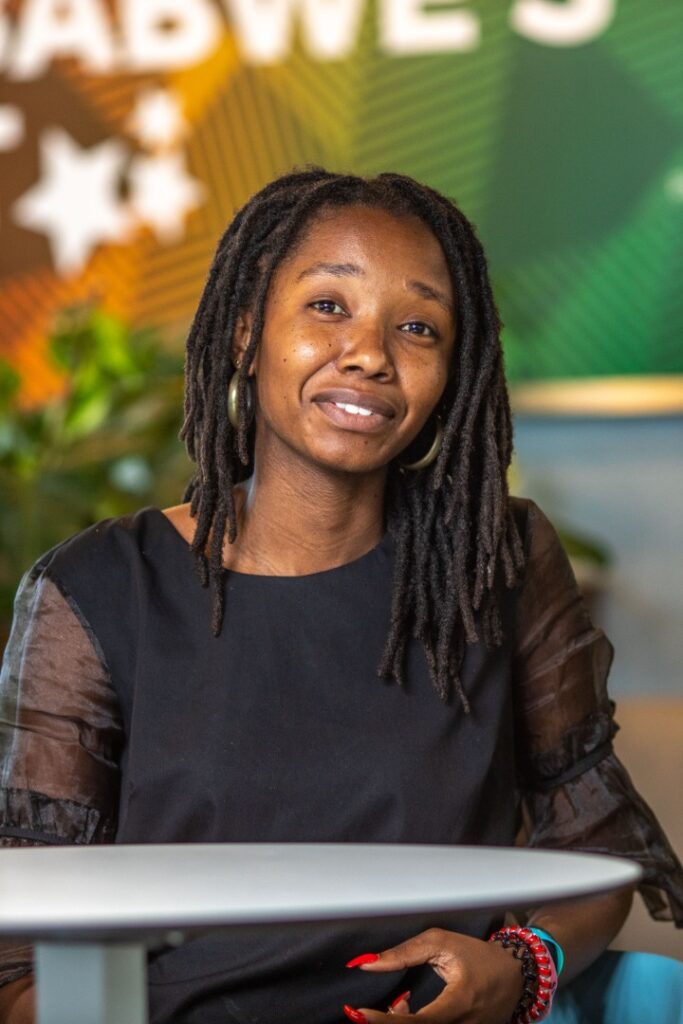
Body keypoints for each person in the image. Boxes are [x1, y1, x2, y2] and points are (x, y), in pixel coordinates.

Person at [0, 168, 681, 1024]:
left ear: (452, 371)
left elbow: (595, 837)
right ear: (246, 333)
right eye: (327, 306)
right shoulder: (96, 589)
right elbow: (24, 947)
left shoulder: (494, 561)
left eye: (417, 327)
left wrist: (522, 966)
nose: (369, 354)